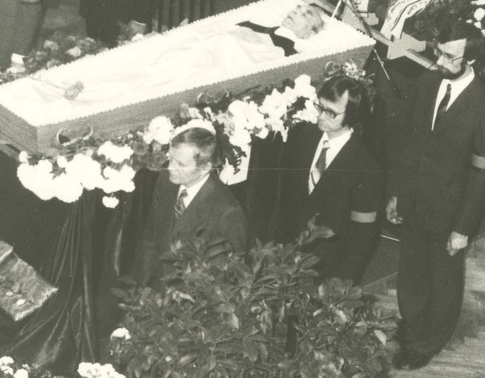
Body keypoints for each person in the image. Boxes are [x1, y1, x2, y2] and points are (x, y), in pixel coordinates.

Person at [385, 23, 485, 369]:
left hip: (450, 213)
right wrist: (398, 193)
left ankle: (428, 341)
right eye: (438, 51)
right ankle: (412, 323)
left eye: (448, 56)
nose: (438, 60)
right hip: (414, 201)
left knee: (442, 279)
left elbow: (483, 177)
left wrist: (463, 228)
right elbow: (409, 144)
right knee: (410, 268)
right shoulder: (427, 83)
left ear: (471, 61)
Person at [273, 74, 382, 283]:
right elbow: (286, 199)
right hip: (288, 257)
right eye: (320, 107)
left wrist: (342, 281)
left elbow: (362, 236)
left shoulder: (366, 165)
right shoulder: (304, 135)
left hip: (329, 268)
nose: (321, 116)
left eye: (331, 113)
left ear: (352, 115)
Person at [135, 122, 249, 286]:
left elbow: (229, 280)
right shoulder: (166, 181)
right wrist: (143, 289)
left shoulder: (228, 212)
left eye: (180, 164)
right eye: (170, 158)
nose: (170, 168)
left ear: (205, 167)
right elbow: (150, 237)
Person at [236, 3, 326, 56]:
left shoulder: (291, 57)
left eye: (305, 15)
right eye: (297, 8)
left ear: (309, 34)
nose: (294, 11)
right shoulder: (248, 25)